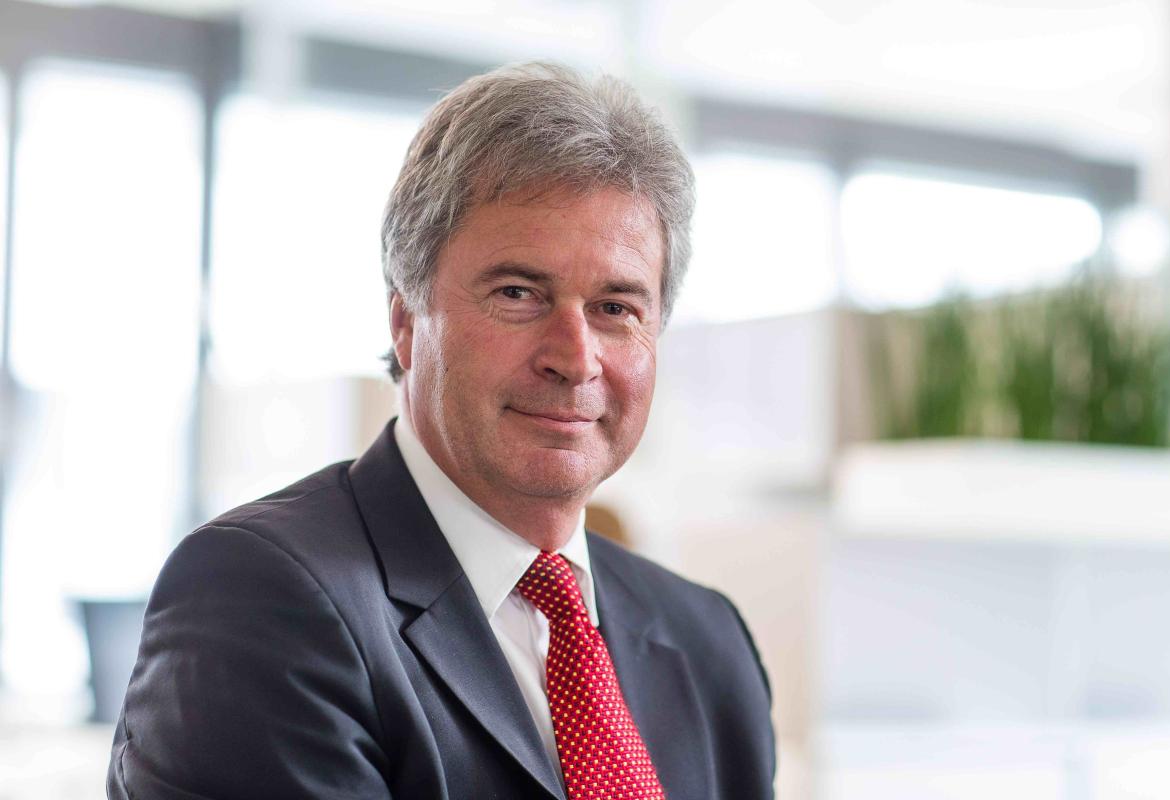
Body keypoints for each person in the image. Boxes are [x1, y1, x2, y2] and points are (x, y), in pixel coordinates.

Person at [108, 61, 775, 800]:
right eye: (518, 293)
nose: (575, 357)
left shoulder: (707, 640)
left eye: (616, 308)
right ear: (405, 322)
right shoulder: (257, 596)